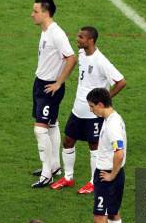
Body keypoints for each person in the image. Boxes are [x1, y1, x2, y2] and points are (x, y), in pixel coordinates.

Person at [51, 26, 126, 194]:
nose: (77, 39)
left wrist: (106, 98)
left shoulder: (101, 61)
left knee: (94, 146)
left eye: (81, 37)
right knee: (68, 141)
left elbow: (121, 81)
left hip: (93, 113)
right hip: (77, 109)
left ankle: (93, 182)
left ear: (90, 40)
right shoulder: (83, 54)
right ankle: (68, 177)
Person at [75, 88, 126, 223]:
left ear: (100, 104)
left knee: (100, 215)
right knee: (113, 212)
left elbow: (118, 153)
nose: (91, 110)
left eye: (92, 106)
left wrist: (111, 175)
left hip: (107, 175)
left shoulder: (112, 125)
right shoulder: (114, 119)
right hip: (117, 173)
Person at [30, 0, 77, 188]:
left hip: (50, 88)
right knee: (51, 125)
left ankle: (47, 174)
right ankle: (55, 165)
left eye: (35, 11)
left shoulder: (56, 34)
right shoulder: (46, 31)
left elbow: (71, 58)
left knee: (40, 129)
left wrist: (59, 83)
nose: (32, 14)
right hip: (40, 83)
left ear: (45, 12)